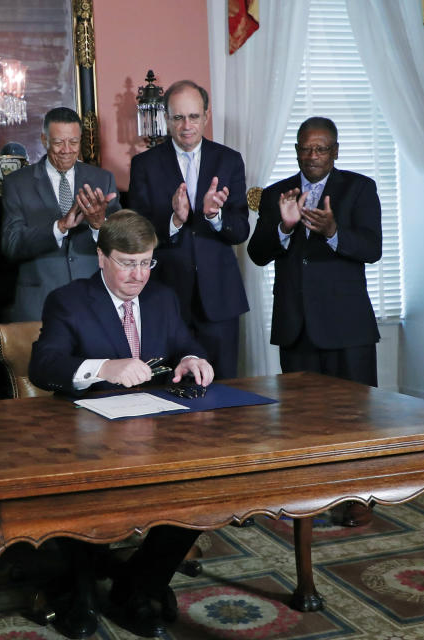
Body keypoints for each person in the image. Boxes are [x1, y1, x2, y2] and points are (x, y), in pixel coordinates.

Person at [29, 210, 211, 638]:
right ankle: (82, 589)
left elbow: (185, 342)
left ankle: (137, 586)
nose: (139, 274)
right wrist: (105, 367)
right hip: (88, 438)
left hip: (158, 432)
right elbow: (44, 366)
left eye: (147, 261)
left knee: (204, 489)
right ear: (101, 258)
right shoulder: (69, 300)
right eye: (128, 263)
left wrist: (191, 357)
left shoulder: (162, 298)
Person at [248, 117, 382, 526]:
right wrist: (284, 227)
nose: (313, 156)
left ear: (335, 151)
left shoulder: (359, 188)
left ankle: (358, 496)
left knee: (354, 418)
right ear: (297, 151)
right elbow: (257, 253)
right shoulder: (277, 194)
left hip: (347, 327)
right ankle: (310, 495)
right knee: (303, 421)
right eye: (306, 148)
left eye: (321, 148)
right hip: (296, 325)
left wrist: (335, 232)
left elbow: (372, 248)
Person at [128, 80, 250, 380]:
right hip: (166, 297)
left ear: (206, 116)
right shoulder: (144, 164)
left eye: (193, 117)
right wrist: (175, 220)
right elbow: (136, 233)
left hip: (220, 300)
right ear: (166, 119)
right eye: (178, 117)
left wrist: (215, 216)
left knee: (223, 389)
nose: (186, 126)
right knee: (168, 391)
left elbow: (240, 230)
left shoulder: (229, 160)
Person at [1, 107, 120, 321]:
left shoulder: (103, 180)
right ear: (44, 139)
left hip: (93, 300)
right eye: (58, 142)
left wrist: (99, 225)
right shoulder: (18, 183)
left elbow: (122, 245)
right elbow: (12, 244)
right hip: (40, 303)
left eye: (73, 142)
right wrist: (60, 227)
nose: (66, 150)